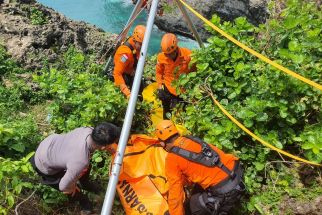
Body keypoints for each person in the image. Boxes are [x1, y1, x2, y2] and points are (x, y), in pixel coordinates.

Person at [155, 120, 245, 215]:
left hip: (225, 191)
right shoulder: (191, 139)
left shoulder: (172, 158)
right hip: (237, 174)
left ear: (162, 143)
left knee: (187, 209)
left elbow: (175, 195)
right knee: (196, 192)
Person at [29, 122, 121, 213]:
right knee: (71, 189)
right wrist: (71, 187)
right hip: (44, 164)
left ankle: (85, 184)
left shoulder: (88, 130)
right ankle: (84, 202)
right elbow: (63, 186)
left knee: (84, 168)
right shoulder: (81, 160)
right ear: (103, 147)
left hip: (50, 144)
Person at [156, 33, 194, 119]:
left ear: (176, 49)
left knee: (186, 113)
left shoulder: (188, 55)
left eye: (170, 54)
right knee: (166, 112)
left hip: (183, 89)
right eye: (166, 54)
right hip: (168, 87)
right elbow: (159, 73)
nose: (168, 56)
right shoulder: (161, 57)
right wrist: (159, 86)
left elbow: (194, 70)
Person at [112, 25, 146, 99]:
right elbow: (117, 73)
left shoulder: (135, 46)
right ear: (134, 40)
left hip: (129, 70)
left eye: (143, 44)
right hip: (122, 74)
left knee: (140, 87)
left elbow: (136, 55)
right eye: (141, 44)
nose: (142, 47)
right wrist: (127, 93)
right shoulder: (125, 54)